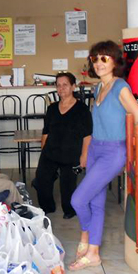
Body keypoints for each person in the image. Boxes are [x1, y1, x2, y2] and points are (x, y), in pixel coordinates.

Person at [69, 41, 138, 271]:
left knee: (78, 200)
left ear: (115, 61)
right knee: (96, 202)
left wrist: (129, 151)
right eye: (95, 59)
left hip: (113, 151)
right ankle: (93, 253)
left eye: (104, 58)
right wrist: (87, 150)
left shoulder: (120, 87)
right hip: (95, 148)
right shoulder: (98, 88)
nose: (99, 63)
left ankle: (85, 234)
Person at [32, 72, 92, 219]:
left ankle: (69, 210)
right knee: (41, 180)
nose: (61, 88)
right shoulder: (52, 109)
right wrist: (43, 152)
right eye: (58, 85)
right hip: (51, 152)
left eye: (65, 85)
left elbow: (87, 135)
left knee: (68, 186)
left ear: (73, 86)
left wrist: (84, 155)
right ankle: (47, 207)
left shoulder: (82, 109)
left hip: (71, 154)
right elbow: (46, 132)